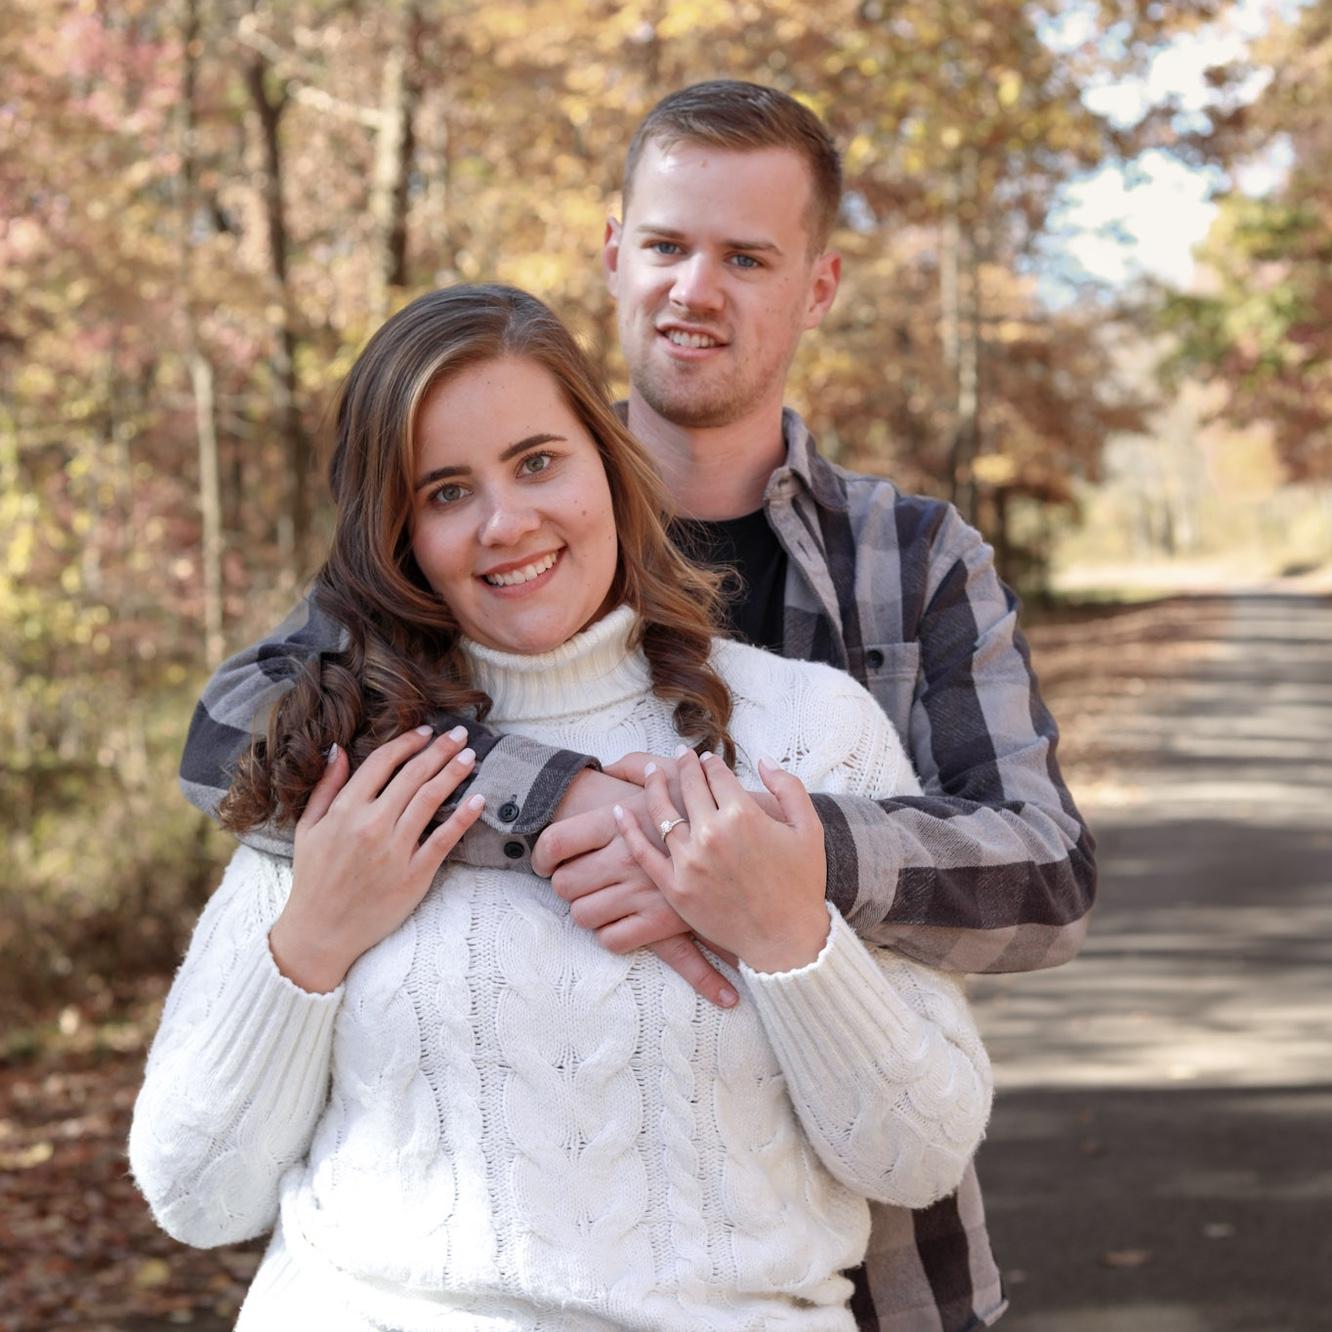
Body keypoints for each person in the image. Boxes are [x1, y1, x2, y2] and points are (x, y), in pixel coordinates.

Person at [176, 82, 1094, 1329]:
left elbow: (1046, 876)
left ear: (818, 286)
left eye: (746, 258)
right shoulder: (478, 522)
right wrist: (558, 802)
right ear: (614, 255)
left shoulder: (910, 559)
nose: (694, 289)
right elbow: (238, 728)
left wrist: (769, 862)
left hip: (862, 1266)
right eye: (666, 245)